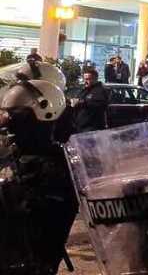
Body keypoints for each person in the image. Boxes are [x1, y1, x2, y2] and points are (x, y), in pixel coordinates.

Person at [0, 79, 77, 274]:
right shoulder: (16, 154)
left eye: (14, 116)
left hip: (26, 264)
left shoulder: (53, 167)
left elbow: (35, 226)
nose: (7, 122)